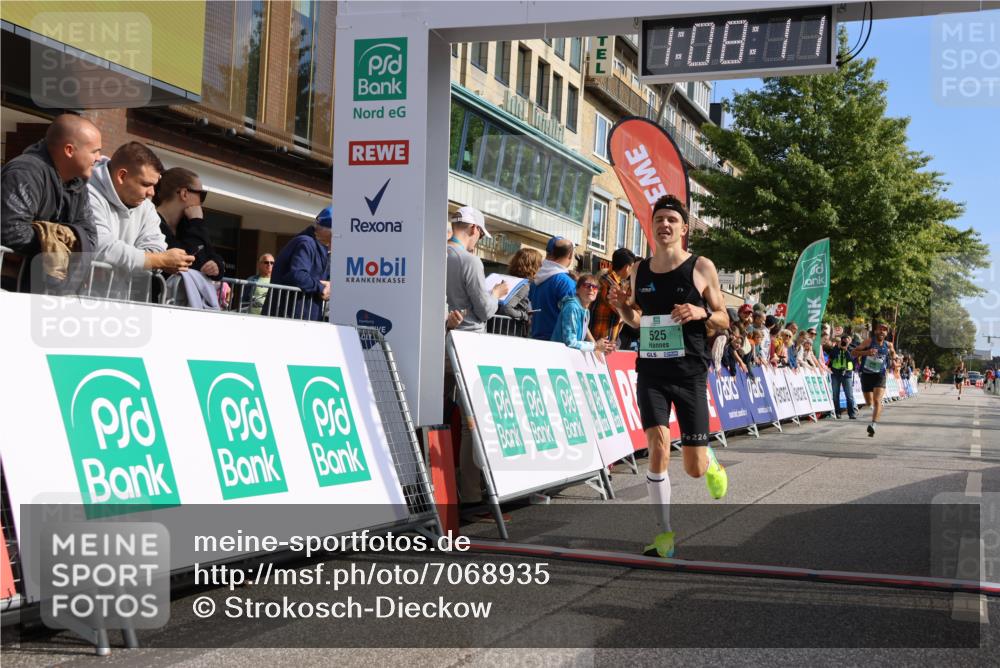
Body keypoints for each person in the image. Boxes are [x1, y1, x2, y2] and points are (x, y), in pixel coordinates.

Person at [608, 194, 729, 559]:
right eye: (659, 219)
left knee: (692, 468)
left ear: (684, 229)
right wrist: (621, 307)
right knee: (658, 445)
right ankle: (664, 534)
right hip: (652, 371)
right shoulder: (639, 271)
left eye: (671, 220)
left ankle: (708, 459)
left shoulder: (701, 266)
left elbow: (725, 318)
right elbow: (637, 322)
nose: (664, 225)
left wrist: (700, 311)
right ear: (652, 226)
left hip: (690, 371)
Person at [1, 114, 103, 289]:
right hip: (10, 289)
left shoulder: (78, 184)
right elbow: (10, 231)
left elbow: (90, 239)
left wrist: (53, 236)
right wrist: (56, 240)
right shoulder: (24, 172)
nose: (99, 158)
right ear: (69, 150)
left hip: (42, 293)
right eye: (95, 151)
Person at [89, 142, 197, 293]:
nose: (151, 193)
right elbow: (101, 248)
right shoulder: (87, 194)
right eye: (146, 184)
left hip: (118, 302)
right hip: (75, 301)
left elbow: (157, 246)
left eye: (154, 185)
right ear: (122, 176)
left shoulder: (146, 206)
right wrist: (159, 260)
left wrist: (131, 260)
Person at [154, 167, 225, 278]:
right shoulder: (152, 222)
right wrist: (196, 222)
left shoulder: (189, 224)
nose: (201, 202)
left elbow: (211, 254)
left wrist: (216, 266)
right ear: (184, 194)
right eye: (201, 195)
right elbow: (186, 260)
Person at [446, 206, 508, 332]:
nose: (478, 240)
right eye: (481, 236)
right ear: (474, 228)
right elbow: (485, 311)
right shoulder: (470, 260)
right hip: (468, 336)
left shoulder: (435, 252)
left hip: (443, 334)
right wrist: (496, 293)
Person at [266, 205, 332, 321]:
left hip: (300, 317)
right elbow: (298, 275)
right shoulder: (306, 243)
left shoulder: (318, 247)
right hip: (289, 317)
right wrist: (321, 288)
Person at [552, 274, 614, 354]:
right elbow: (570, 342)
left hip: (568, 356)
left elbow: (585, 329)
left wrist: (597, 347)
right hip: (558, 356)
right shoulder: (572, 307)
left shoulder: (585, 310)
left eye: (595, 287)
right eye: (586, 285)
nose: (591, 289)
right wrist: (595, 346)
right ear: (577, 289)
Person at [529, 236, 576, 340]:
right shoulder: (567, 283)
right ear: (570, 255)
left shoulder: (536, 280)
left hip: (536, 339)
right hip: (558, 343)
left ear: (548, 253)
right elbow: (573, 318)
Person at [854, 322, 896, 437]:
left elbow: (893, 354)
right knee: (869, 402)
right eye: (880, 329)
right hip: (866, 375)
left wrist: (895, 358)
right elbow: (853, 352)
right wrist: (866, 352)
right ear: (876, 331)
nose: (882, 331)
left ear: (887, 333)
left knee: (877, 401)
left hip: (880, 375)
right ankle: (873, 412)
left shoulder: (889, 345)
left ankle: (873, 425)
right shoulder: (868, 342)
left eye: (884, 330)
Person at [590, 248, 637, 346]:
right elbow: (624, 310)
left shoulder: (610, 281)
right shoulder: (610, 284)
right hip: (600, 341)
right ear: (627, 267)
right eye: (632, 267)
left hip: (601, 341)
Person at [498, 247, 542, 334]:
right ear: (533, 266)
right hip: (510, 332)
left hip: (496, 328)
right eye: (540, 265)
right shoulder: (523, 285)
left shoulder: (506, 279)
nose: (541, 268)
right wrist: (524, 316)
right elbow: (507, 308)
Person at [827, 334, 858, 419]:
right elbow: (832, 357)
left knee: (849, 395)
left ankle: (851, 413)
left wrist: (846, 350)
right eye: (843, 340)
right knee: (835, 394)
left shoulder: (851, 349)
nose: (844, 342)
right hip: (835, 373)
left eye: (846, 340)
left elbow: (851, 359)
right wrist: (838, 347)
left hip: (847, 374)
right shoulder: (835, 348)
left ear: (849, 341)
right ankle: (837, 413)